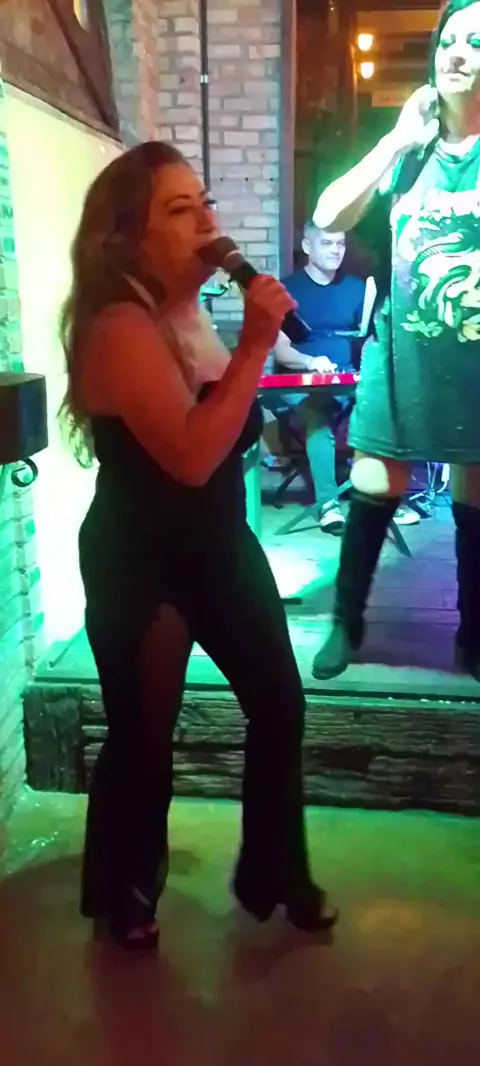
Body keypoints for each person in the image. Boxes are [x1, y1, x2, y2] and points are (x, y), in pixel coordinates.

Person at [59, 141, 337, 950]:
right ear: (127, 238)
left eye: (205, 202)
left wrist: (257, 343)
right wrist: (254, 344)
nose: (208, 223)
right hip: (140, 553)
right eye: (180, 210)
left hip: (218, 542)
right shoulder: (118, 324)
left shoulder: (190, 311)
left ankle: (274, 873)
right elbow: (189, 456)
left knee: (279, 704)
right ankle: (125, 889)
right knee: (145, 732)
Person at [311, 0, 480, 682]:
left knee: (476, 490)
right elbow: (328, 214)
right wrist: (397, 141)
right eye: (449, 40)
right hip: (401, 349)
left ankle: (474, 631)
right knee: (374, 478)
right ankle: (345, 620)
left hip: (474, 358)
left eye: (476, 42)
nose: (456, 53)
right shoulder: (410, 155)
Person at [271, 222, 419, 533]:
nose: (336, 251)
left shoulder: (356, 289)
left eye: (340, 244)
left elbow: (369, 338)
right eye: (327, 243)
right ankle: (328, 504)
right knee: (318, 414)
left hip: (346, 378)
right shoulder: (287, 290)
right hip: (300, 381)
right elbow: (282, 352)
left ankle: (386, 500)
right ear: (307, 247)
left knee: (387, 413)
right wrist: (311, 362)